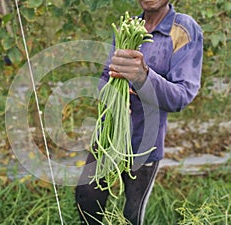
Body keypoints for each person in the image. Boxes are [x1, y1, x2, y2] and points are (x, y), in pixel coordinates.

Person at [75, 0, 203, 224]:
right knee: (86, 199)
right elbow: (107, 74)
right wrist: (111, 95)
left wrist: (143, 76)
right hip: (109, 135)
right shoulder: (128, 26)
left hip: (144, 141)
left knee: (132, 214)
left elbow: (181, 96)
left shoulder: (183, 29)